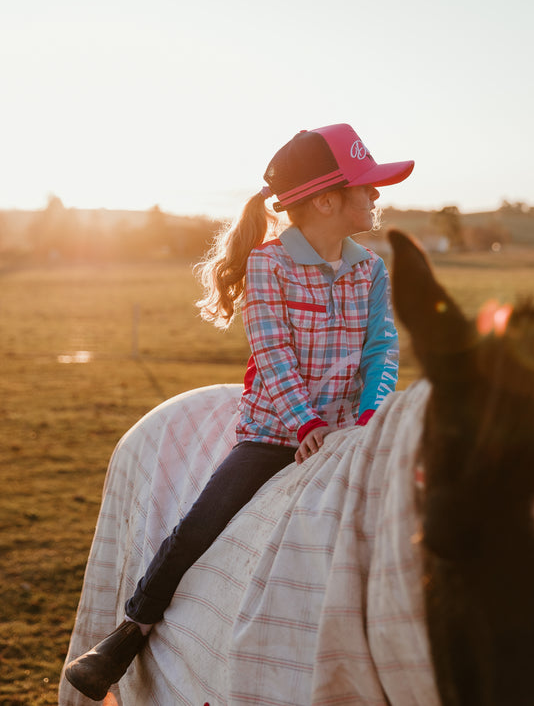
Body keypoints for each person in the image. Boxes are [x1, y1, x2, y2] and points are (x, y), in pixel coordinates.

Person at [65, 123, 414, 701]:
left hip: (355, 430)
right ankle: (132, 630)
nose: (376, 195)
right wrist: (307, 425)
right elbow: (273, 355)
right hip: (278, 431)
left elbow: (382, 347)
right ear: (327, 199)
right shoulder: (269, 265)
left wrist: (370, 420)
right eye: (366, 186)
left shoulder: (370, 268)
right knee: (202, 521)